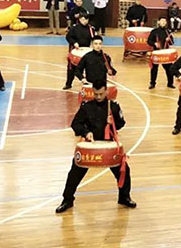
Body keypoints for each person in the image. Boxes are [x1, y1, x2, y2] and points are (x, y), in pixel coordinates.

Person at [55, 80, 136, 213]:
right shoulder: (86, 106)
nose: (98, 97)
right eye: (96, 94)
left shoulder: (113, 106)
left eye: (101, 94)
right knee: (75, 173)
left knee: (124, 171)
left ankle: (124, 197)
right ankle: (67, 199)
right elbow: (75, 124)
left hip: (108, 145)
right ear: (92, 91)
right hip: (90, 146)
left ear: (106, 91)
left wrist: (113, 121)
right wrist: (86, 132)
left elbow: (121, 123)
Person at [64, 14, 95, 90]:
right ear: (80, 19)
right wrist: (74, 43)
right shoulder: (74, 28)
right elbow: (68, 37)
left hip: (85, 51)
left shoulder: (90, 29)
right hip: (75, 51)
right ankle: (68, 84)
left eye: (87, 20)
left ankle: (88, 82)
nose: (85, 21)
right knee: (71, 68)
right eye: (83, 19)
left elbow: (93, 39)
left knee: (88, 67)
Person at [147, 17, 175, 89]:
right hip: (156, 52)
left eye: (165, 21)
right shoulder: (154, 31)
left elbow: (172, 43)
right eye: (162, 21)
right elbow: (149, 41)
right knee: (154, 69)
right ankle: (152, 83)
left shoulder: (168, 31)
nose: (163, 22)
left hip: (165, 53)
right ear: (158, 22)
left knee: (169, 68)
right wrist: (154, 43)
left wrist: (169, 40)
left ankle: (170, 83)